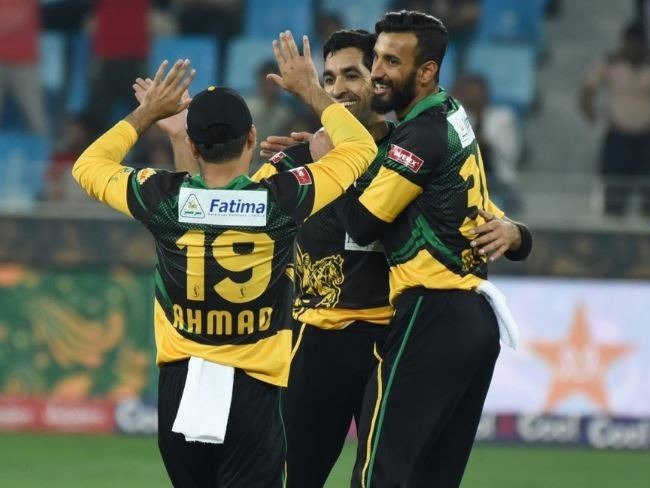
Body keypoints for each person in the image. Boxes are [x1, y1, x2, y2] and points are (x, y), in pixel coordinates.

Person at [72, 29, 377, 487]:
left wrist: (148, 113)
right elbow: (361, 148)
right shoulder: (282, 199)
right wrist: (311, 89)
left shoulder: (166, 200)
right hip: (255, 388)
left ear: (195, 148)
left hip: (181, 384)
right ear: (252, 138)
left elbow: (88, 167)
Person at [331, 11, 532, 487]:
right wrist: (519, 234)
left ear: (427, 71)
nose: (377, 72)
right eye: (377, 58)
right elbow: (475, 207)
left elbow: (361, 225)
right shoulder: (452, 114)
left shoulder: (420, 135)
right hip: (473, 321)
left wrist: (334, 162)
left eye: (392, 62)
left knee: (380, 473)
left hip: (430, 314)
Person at [579, 21, 650, 217]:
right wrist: (593, 118)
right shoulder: (611, 63)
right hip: (618, 137)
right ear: (624, 42)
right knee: (614, 195)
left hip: (646, 140)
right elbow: (587, 90)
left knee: (648, 198)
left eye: (638, 43)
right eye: (630, 43)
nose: (634, 48)